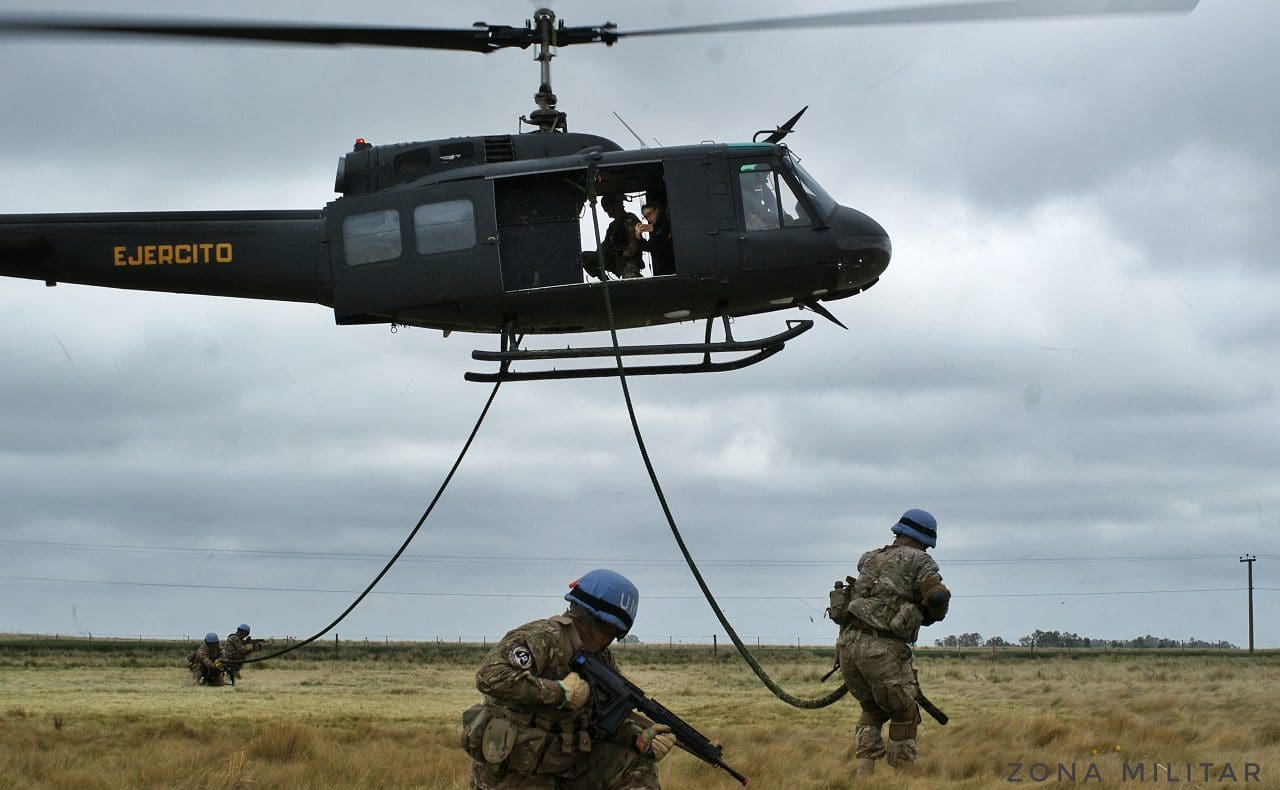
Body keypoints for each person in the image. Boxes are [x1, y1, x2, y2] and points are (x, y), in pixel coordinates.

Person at [460, 569, 674, 789]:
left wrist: (637, 737)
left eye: (617, 632)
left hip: (569, 766)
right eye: (611, 630)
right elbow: (489, 676)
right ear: (592, 619)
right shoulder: (545, 637)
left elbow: (607, 714)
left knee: (637, 766)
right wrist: (559, 692)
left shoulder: (602, 658)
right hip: (516, 772)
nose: (610, 638)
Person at [831, 509, 951, 776]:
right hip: (881, 650)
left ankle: (864, 777)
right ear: (926, 538)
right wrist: (931, 608)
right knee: (905, 714)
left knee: (871, 709)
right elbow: (936, 598)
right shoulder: (921, 561)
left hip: (848, 646)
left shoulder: (870, 557)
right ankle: (902, 779)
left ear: (899, 531)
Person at [582, 194, 643, 281]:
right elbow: (605, 245)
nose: (609, 215)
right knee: (584, 257)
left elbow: (633, 244)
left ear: (617, 207)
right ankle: (605, 281)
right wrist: (600, 255)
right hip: (614, 260)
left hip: (629, 260)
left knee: (630, 280)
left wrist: (624, 259)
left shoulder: (630, 219)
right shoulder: (612, 226)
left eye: (610, 210)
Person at [634, 202, 674, 276]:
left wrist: (653, 228)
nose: (648, 218)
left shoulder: (668, 219)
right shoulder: (654, 227)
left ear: (657, 210)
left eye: (649, 214)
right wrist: (638, 236)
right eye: (645, 217)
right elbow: (650, 247)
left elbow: (665, 230)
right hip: (663, 270)